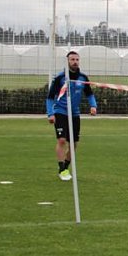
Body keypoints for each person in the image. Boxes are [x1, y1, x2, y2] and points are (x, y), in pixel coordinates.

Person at [46, 51, 97, 181]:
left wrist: (93, 106)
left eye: (77, 59)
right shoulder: (60, 78)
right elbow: (50, 97)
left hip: (74, 113)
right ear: (67, 61)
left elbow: (90, 94)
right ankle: (62, 168)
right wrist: (50, 114)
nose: (75, 62)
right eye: (72, 59)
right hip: (61, 111)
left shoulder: (83, 78)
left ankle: (65, 166)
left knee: (73, 144)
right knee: (62, 140)